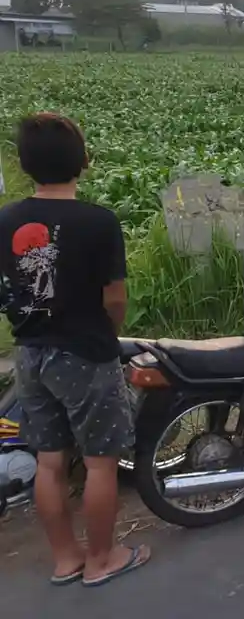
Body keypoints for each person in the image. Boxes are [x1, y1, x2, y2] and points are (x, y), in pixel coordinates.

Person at [1, 113, 150, 587]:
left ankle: (66, 559)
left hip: (29, 353)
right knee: (99, 460)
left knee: (49, 459)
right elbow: (115, 299)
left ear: (25, 165)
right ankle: (103, 558)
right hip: (85, 352)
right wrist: (106, 334)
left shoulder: (5, 220)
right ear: (83, 161)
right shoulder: (98, 222)